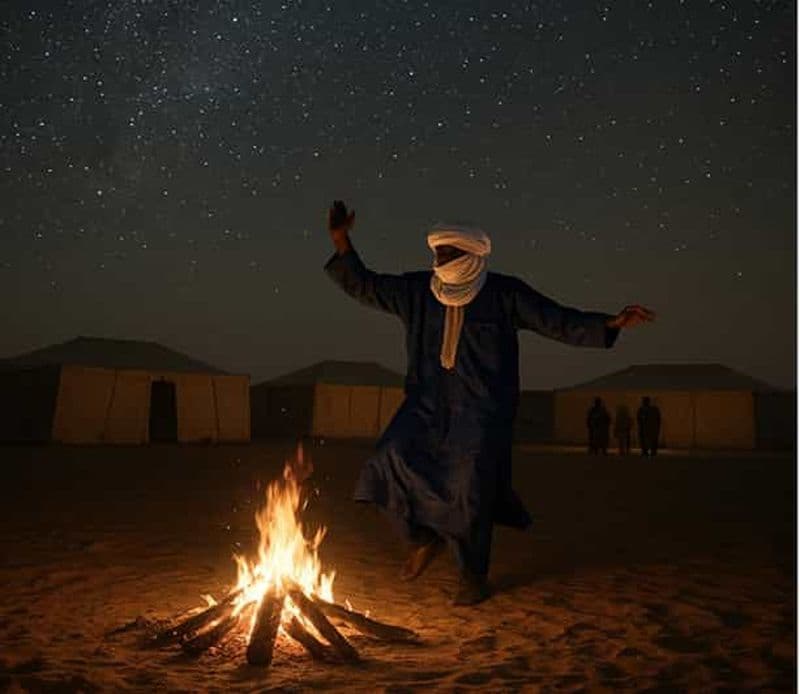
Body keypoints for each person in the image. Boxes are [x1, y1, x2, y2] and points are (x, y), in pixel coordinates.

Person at [324, 200, 655, 605]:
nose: (440, 258)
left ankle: (472, 577)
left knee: (469, 492)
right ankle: (422, 537)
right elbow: (366, 286)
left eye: (449, 252)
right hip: (425, 404)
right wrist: (341, 240)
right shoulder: (417, 291)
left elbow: (556, 319)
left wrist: (610, 323)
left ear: (472, 253)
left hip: (480, 410)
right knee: (386, 462)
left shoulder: (503, 293)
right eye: (437, 252)